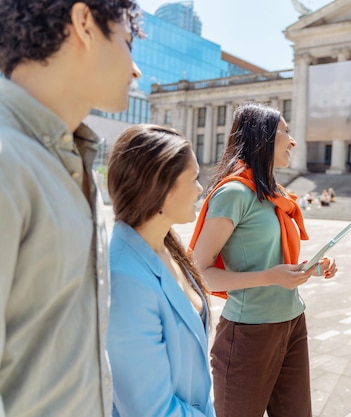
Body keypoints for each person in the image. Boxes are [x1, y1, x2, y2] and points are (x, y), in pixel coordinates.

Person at [0, 1, 142, 416]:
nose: (136, 69)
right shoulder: (9, 159)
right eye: (128, 43)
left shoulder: (70, 158)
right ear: (84, 23)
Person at [189, 102, 338, 417]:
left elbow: (269, 258)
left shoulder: (274, 193)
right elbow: (198, 271)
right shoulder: (234, 193)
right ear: (263, 137)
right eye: (284, 130)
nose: (292, 140)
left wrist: (308, 268)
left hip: (293, 322)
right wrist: (271, 277)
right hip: (248, 333)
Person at [106, 125, 216, 417]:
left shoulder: (167, 245)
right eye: (193, 179)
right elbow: (151, 410)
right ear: (160, 186)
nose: (200, 188)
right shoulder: (125, 278)